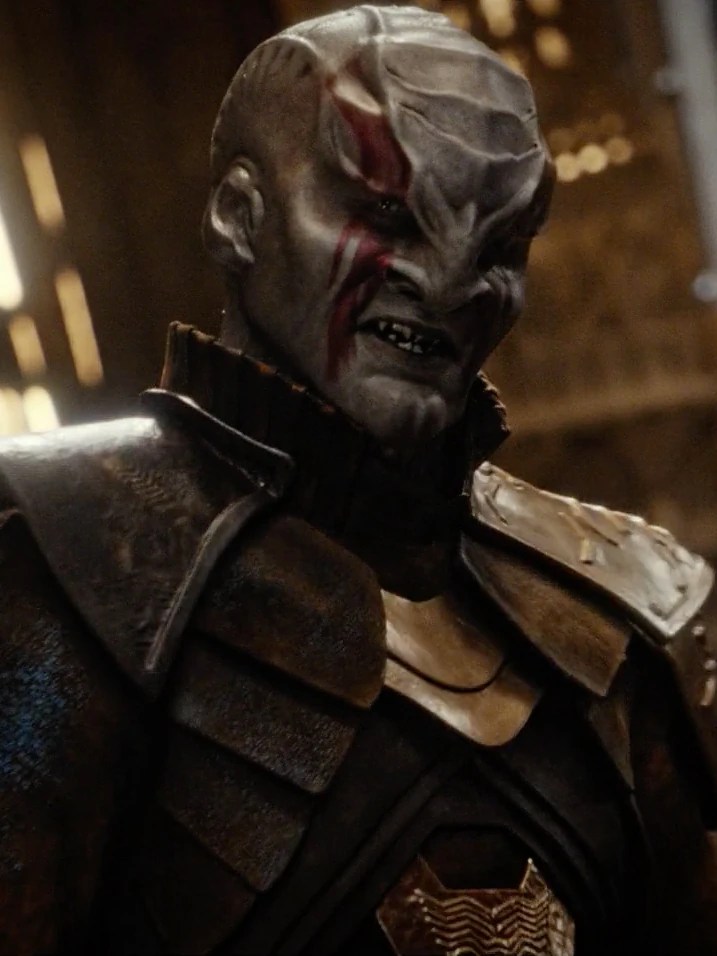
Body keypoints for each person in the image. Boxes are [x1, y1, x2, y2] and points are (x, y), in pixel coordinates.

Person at [1, 6, 716, 955]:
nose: (451, 282)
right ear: (239, 217)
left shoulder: (620, 601)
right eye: (385, 216)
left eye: (498, 246)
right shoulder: (60, 553)